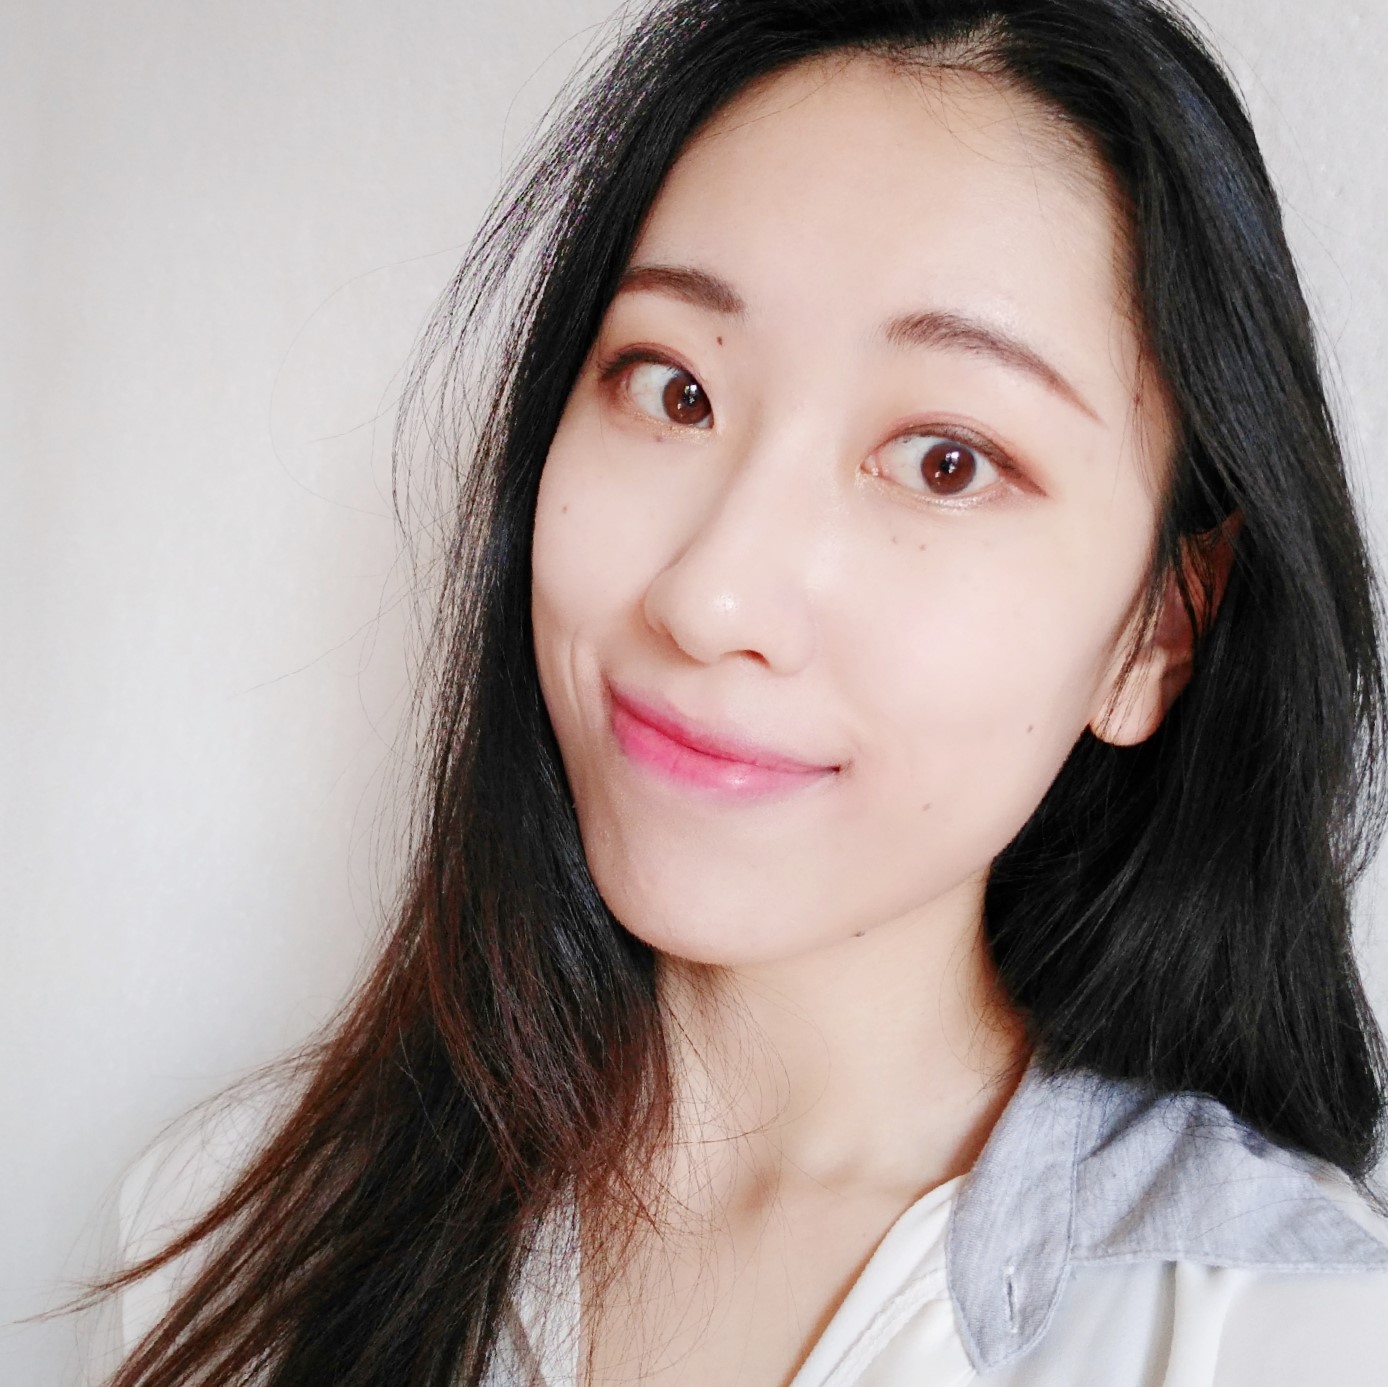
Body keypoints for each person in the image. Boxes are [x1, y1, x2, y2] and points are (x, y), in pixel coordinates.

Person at [73, 0, 1388, 1383]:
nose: (709, 598)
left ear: (1157, 632)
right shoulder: (218, 1248)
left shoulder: (1294, 1339)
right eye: (675, 390)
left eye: (945, 461)